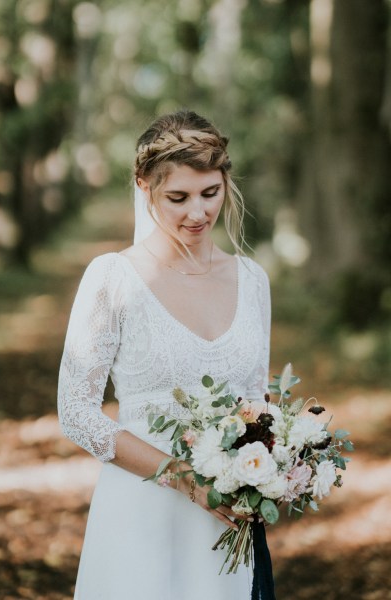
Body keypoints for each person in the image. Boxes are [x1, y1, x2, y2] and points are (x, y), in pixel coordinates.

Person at [57, 109, 272, 600]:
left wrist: (280, 467)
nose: (197, 213)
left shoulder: (253, 280)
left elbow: (256, 404)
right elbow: (75, 413)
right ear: (144, 186)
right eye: (178, 197)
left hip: (225, 520)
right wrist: (184, 480)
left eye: (209, 193)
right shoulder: (113, 278)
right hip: (139, 512)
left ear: (225, 184)